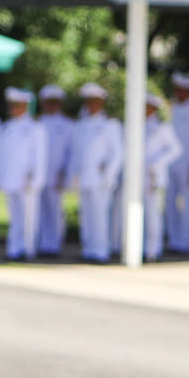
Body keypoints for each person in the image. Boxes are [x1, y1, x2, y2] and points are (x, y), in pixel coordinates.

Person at [67, 82, 122, 263]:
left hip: (101, 179)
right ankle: (89, 249)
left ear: (102, 103)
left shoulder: (109, 125)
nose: (91, 105)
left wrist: (108, 174)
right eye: (89, 101)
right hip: (84, 177)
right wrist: (73, 175)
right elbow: (76, 153)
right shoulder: (81, 125)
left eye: (95, 101)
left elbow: (118, 153)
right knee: (87, 216)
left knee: (100, 216)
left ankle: (101, 251)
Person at [0, 86, 45, 261]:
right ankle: (14, 249)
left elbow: (39, 156)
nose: (13, 109)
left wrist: (36, 180)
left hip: (26, 181)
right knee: (15, 218)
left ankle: (28, 250)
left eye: (17, 105)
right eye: (12, 105)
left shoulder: (34, 128)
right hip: (11, 179)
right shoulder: (7, 127)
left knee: (28, 219)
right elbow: (1, 155)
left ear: (25, 106)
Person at [165, 73, 189, 254]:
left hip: (186, 164)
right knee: (169, 202)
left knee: (186, 203)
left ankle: (185, 241)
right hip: (169, 163)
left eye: (182, 90)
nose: (179, 93)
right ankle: (173, 239)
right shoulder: (170, 110)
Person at [142, 92, 183, 261]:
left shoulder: (162, 127)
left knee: (153, 215)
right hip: (138, 177)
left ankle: (153, 250)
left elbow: (176, 149)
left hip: (153, 176)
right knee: (139, 214)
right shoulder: (137, 125)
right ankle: (141, 247)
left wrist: (157, 164)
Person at [34, 84, 73, 256]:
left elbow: (71, 152)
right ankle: (41, 243)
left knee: (56, 211)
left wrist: (65, 172)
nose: (51, 106)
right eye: (48, 102)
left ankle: (53, 245)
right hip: (37, 174)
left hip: (56, 173)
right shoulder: (37, 123)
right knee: (39, 211)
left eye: (55, 102)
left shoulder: (67, 125)